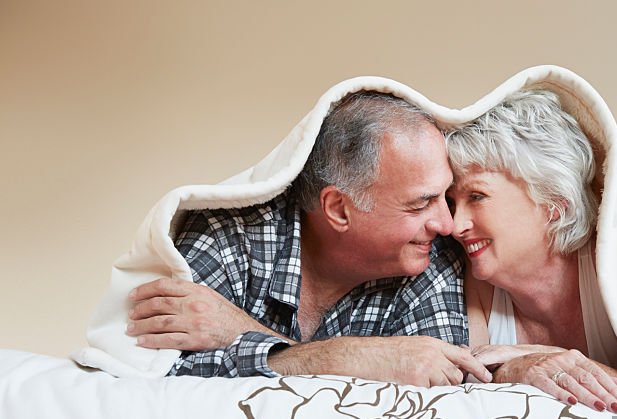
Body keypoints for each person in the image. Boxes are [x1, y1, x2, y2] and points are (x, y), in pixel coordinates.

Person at [125, 92, 490, 386]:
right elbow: (162, 387)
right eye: (421, 204)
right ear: (339, 209)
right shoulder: (228, 238)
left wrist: (242, 333)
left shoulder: (431, 257)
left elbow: (436, 398)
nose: (447, 224)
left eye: (445, 197)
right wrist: (360, 360)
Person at [444, 90, 617, 413]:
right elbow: (469, 392)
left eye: (476, 196)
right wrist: (516, 367)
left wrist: (545, 359)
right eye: (453, 202)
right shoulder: (473, 283)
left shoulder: (616, 265)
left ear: (553, 204)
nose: (454, 224)